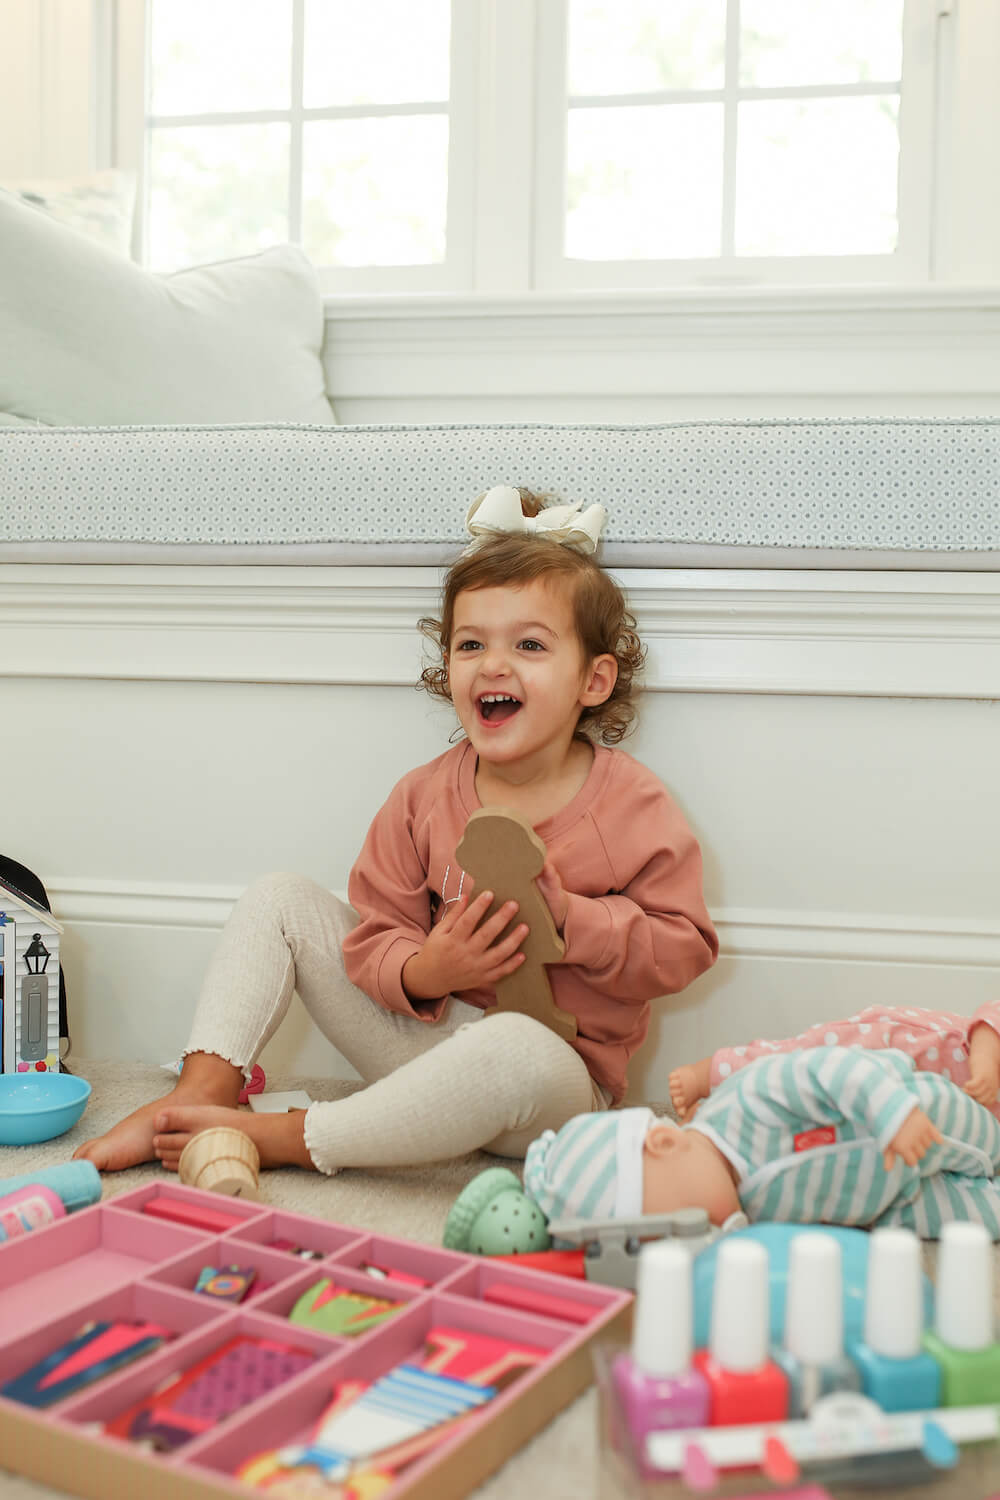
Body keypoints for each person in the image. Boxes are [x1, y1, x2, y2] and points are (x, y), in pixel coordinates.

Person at [74, 485, 717, 1177]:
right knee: (279, 898)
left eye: (529, 644)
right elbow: (376, 934)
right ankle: (200, 1096)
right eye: (471, 644)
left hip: (550, 1081)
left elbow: (685, 948)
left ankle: (291, 1136)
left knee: (512, 1048)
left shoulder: (633, 803)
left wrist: (576, 923)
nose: (493, 663)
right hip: (425, 1043)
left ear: (594, 680)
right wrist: (426, 970)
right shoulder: (423, 796)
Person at [525, 1046, 1000, 1240]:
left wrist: (893, 1113)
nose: (696, 1236)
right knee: (977, 1225)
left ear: (666, 1142)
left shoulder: (747, 1103)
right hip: (892, 1203)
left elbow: (828, 1067)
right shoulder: (747, 1217)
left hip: (908, 1118)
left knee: (987, 1141)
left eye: (681, 1221)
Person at [668, 1002, 1000, 1123]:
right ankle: (712, 1073)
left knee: (809, 1118)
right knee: (799, 1065)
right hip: (896, 1045)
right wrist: (986, 1065)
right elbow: (989, 1021)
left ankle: (718, 1119)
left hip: (901, 1107)